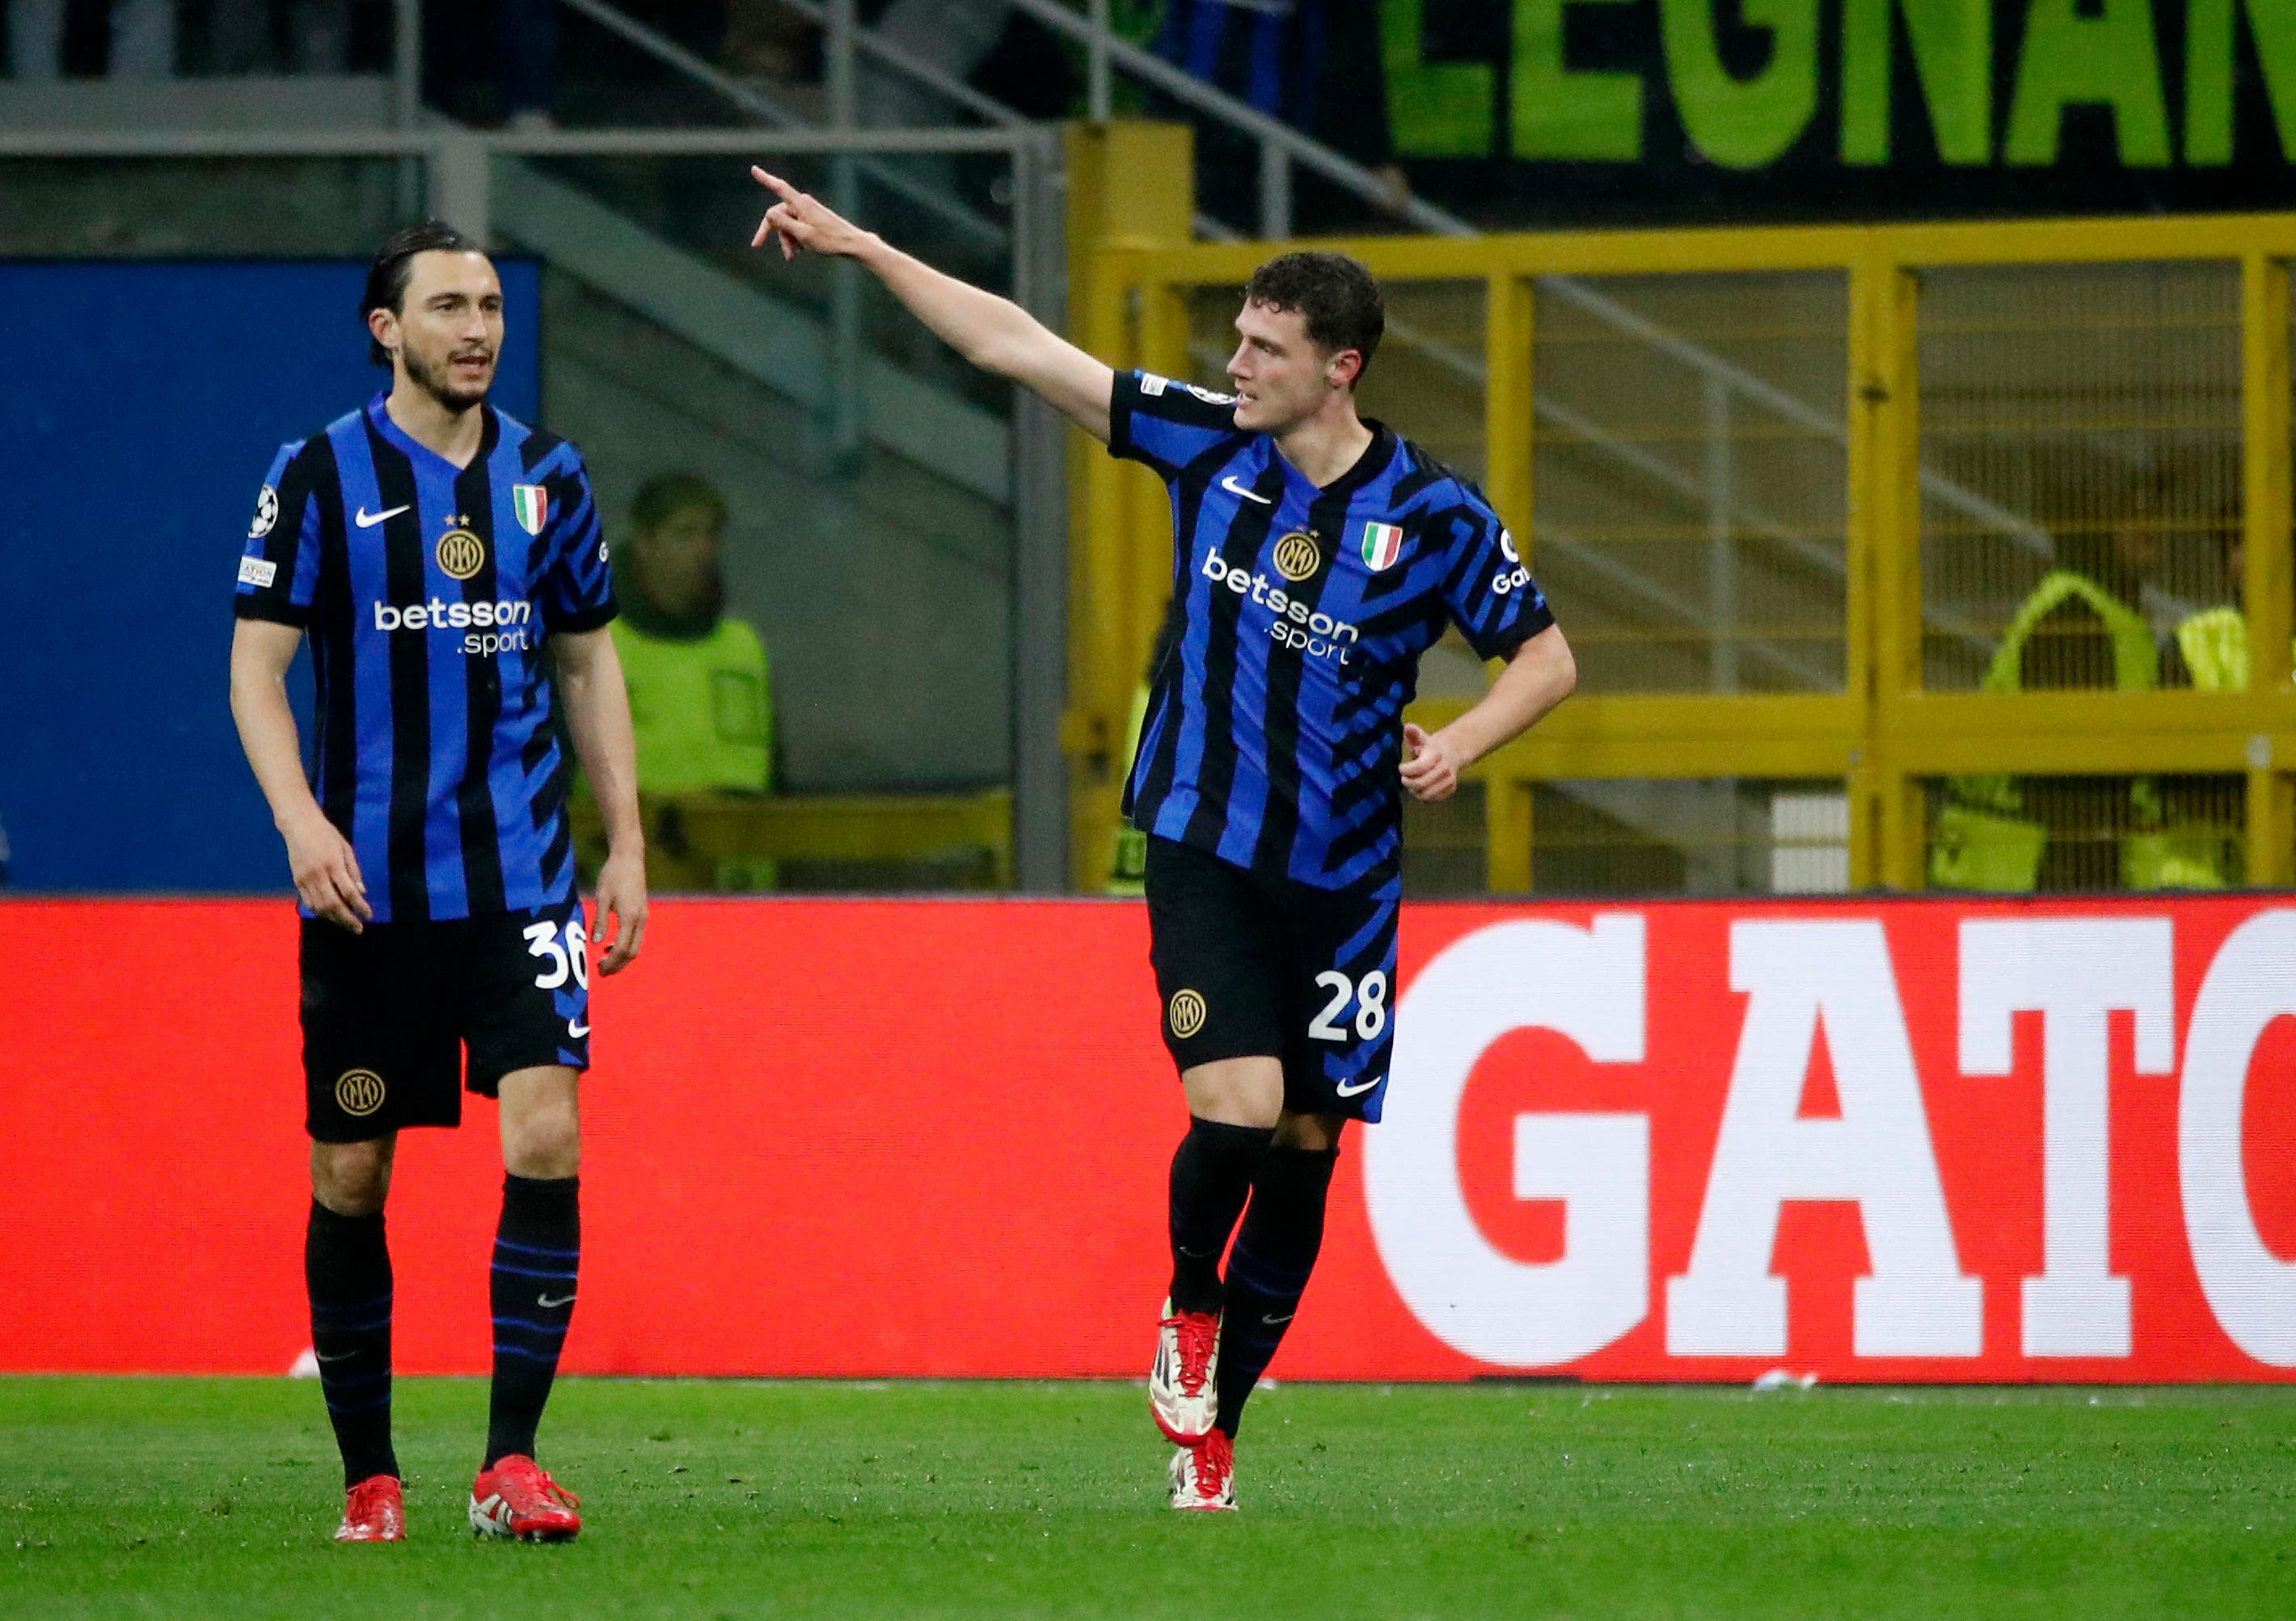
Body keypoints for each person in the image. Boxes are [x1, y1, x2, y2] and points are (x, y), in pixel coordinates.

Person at [747, 169, 1575, 1510]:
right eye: (1237, 338)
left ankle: (1216, 1433)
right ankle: (1189, 1302)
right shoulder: (1206, 442)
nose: (1235, 365)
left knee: (1308, 1142)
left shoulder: (1435, 518)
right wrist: (865, 245)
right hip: (1202, 845)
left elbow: (1545, 657)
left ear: (1341, 369)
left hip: (1345, 879)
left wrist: (1462, 743)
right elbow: (1016, 345)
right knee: (1237, 1106)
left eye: (1266, 348)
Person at [228, 220, 648, 1546]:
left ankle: (509, 1462)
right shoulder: (316, 473)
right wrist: (300, 823)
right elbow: (255, 669)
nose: (477, 330)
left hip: (523, 881)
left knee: (549, 1132)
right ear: (387, 329)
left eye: (491, 307)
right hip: (369, 894)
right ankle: (371, 1476)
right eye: (449, 307)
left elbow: (588, 659)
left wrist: (627, 842)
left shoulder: (548, 476)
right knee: (353, 1172)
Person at [610, 472, 778, 891]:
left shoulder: (743, 646)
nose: (703, 549)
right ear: (644, 542)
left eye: (710, 534)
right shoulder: (599, 647)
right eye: (685, 533)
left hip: (744, 888)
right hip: (636, 891)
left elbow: (774, 774)